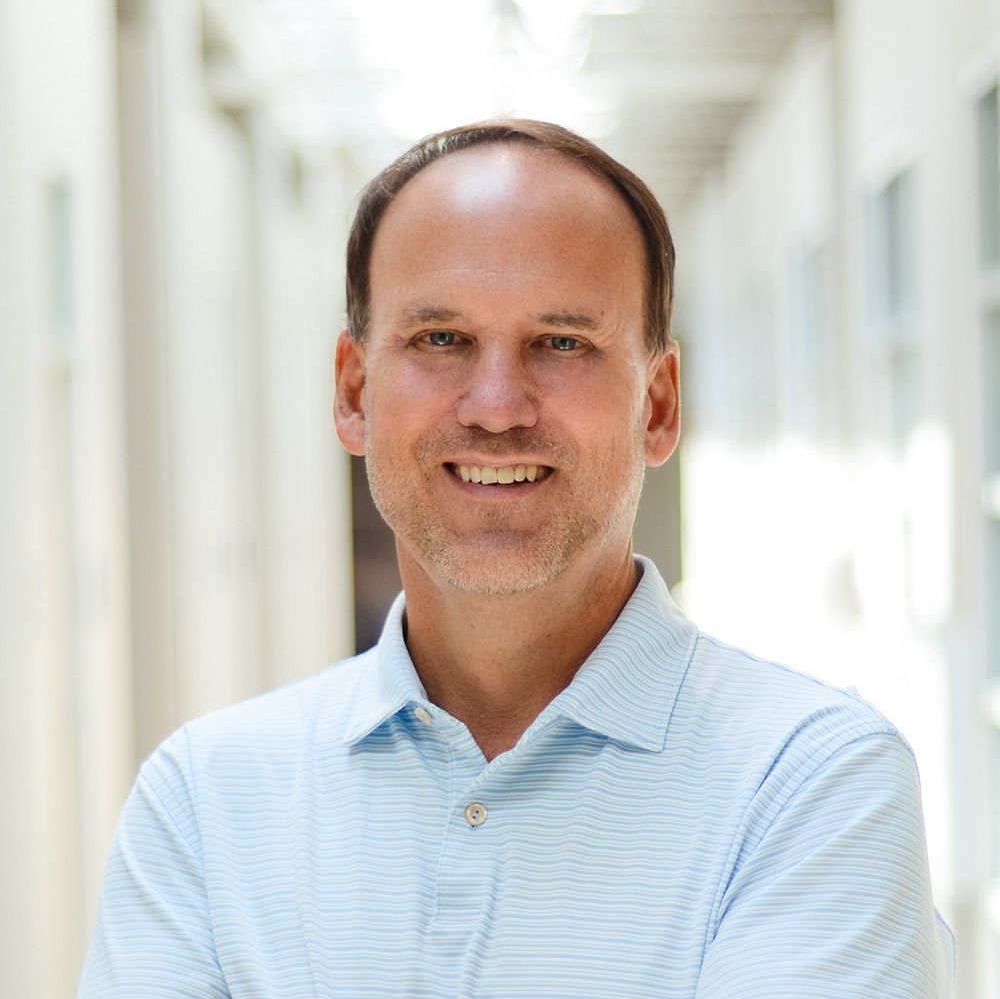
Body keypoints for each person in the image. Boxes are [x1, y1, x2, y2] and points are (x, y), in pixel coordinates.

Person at [79, 119, 955, 998]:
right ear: (353, 394)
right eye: (440, 339)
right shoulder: (204, 803)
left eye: (563, 342)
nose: (497, 408)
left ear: (657, 407)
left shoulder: (813, 787)